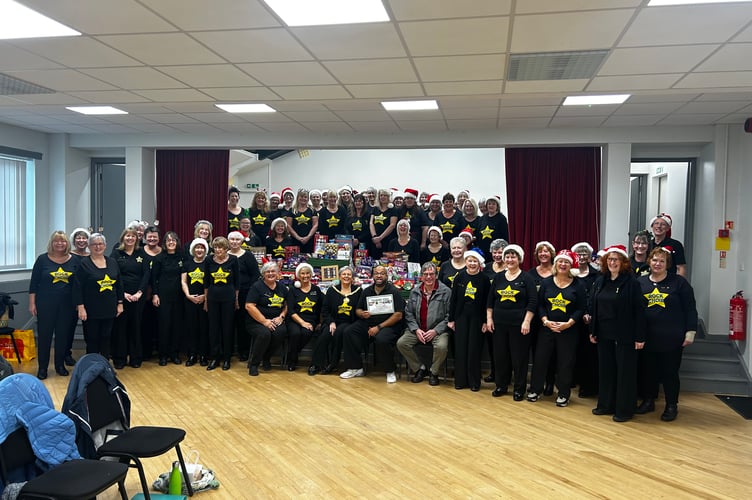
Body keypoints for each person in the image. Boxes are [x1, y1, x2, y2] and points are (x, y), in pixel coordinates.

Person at [637, 246, 698, 422]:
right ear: (649, 261)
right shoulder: (640, 282)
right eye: (655, 260)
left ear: (667, 264)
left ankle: (672, 405)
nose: (658, 264)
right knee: (648, 371)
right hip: (647, 336)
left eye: (662, 261)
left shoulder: (679, 283)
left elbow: (690, 309)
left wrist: (690, 332)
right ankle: (649, 401)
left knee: (670, 373)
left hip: (672, 337)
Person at [587, 245, 646, 422]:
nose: (612, 262)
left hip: (625, 334)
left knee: (624, 372)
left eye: (616, 259)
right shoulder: (600, 281)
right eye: (610, 259)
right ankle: (605, 405)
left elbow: (639, 311)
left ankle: (624, 410)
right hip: (603, 332)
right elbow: (594, 306)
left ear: (623, 262)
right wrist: (593, 331)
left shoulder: (632, 283)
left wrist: (640, 336)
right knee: (606, 370)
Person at [527, 250, 586, 407]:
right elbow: (540, 304)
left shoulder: (578, 284)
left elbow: (581, 307)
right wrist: (545, 321)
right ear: (555, 263)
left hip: (568, 330)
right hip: (547, 329)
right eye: (560, 261)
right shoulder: (546, 283)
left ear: (571, 265)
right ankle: (535, 389)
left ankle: (563, 393)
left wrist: (569, 323)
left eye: (566, 262)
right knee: (540, 360)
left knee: (565, 363)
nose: (562, 264)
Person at [486, 244, 537, 400]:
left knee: (519, 358)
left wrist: (527, 321)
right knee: (501, 356)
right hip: (499, 324)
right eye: (507, 257)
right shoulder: (498, 277)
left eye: (513, 256)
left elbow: (533, 301)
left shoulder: (527, 278)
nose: (510, 259)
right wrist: (489, 319)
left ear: (519, 259)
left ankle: (519, 389)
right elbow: (490, 301)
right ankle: (501, 385)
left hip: (519, 325)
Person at [340, 265, 405, 383]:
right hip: (368, 323)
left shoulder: (394, 291)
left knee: (382, 339)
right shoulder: (367, 291)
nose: (379, 276)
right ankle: (356, 368)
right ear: (373, 276)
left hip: (388, 326)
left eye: (382, 273)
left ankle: (390, 370)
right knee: (349, 332)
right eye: (376, 273)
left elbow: (398, 315)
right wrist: (362, 314)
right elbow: (358, 309)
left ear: (387, 276)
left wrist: (379, 327)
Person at [28, 231, 79, 379]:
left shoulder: (74, 260)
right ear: (52, 243)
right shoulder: (42, 259)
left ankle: (59, 365)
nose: (60, 244)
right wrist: (32, 303)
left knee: (63, 336)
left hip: (67, 305)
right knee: (44, 336)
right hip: (45, 304)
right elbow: (34, 283)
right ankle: (42, 368)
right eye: (56, 241)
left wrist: (78, 303)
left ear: (67, 243)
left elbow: (78, 285)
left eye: (62, 241)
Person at [397, 262, 451, 386]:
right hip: (418, 329)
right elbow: (408, 313)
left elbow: (449, 316)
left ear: (436, 275)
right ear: (421, 276)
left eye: (431, 274)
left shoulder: (446, 292)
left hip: (438, 330)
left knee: (442, 347)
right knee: (402, 343)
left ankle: (434, 372)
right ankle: (420, 369)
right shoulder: (415, 291)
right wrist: (416, 330)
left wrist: (435, 331)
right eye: (425, 274)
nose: (428, 277)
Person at [72, 233, 123, 357]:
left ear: (105, 246)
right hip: (91, 310)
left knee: (106, 338)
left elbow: (119, 284)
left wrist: (120, 303)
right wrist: (80, 306)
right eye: (94, 244)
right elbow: (77, 287)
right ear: (89, 246)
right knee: (92, 339)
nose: (98, 246)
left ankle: (104, 366)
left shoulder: (112, 262)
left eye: (100, 244)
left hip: (109, 308)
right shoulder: (84, 263)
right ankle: (92, 367)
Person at [448, 249, 490, 391]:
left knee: (474, 349)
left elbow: (487, 302)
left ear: (479, 263)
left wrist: (485, 321)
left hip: (477, 318)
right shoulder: (459, 277)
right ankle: (460, 380)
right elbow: (453, 299)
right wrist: (451, 319)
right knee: (460, 348)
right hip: (461, 317)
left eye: (475, 261)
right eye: (469, 261)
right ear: (465, 262)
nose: (472, 263)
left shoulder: (484, 279)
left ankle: (474, 382)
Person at [308, 266, 362, 375]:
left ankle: (333, 364)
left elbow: (360, 309)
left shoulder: (358, 291)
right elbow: (325, 309)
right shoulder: (332, 290)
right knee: (325, 335)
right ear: (339, 276)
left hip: (349, 323)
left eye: (349, 274)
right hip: (331, 321)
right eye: (344, 274)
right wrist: (331, 322)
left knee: (338, 333)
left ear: (352, 277)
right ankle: (316, 364)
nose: (346, 276)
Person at [111, 227, 150, 369]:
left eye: (133, 236)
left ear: (136, 239)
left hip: (138, 297)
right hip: (121, 296)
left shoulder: (141, 253)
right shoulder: (116, 253)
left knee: (136, 327)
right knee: (120, 328)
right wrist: (123, 294)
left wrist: (140, 292)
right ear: (123, 238)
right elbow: (113, 274)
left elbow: (146, 274)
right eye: (127, 236)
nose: (130, 238)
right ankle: (119, 358)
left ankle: (135, 357)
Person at [246, 261, 289, 376]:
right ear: (263, 274)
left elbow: (286, 305)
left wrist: (281, 316)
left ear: (278, 273)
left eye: (273, 271)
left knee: (281, 332)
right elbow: (249, 306)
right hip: (256, 321)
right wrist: (264, 321)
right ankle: (254, 364)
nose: (270, 274)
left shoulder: (282, 287)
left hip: (275, 320)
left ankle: (266, 358)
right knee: (264, 334)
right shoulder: (257, 286)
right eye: (267, 272)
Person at [203, 236, 239, 371]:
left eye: (221, 248)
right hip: (212, 298)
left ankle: (227, 358)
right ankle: (214, 358)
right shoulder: (208, 260)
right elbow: (206, 282)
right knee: (213, 329)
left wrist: (236, 300)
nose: (218, 250)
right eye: (216, 247)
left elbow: (237, 283)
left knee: (227, 328)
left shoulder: (233, 260)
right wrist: (206, 301)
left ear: (226, 249)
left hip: (228, 298)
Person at [151, 232, 185, 366]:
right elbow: (154, 279)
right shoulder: (159, 258)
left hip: (178, 297)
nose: (171, 242)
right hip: (163, 296)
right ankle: (163, 355)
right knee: (164, 326)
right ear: (164, 243)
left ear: (177, 242)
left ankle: (174, 354)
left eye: (173, 240)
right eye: (168, 240)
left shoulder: (182, 257)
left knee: (176, 326)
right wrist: (155, 294)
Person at [571, 241, 599, 398]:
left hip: (590, 321)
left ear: (589, 256)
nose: (581, 257)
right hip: (573, 319)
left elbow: (595, 297)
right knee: (573, 352)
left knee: (589, 354)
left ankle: (587, 385)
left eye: (584, 254)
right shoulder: (570, 273)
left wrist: (589, 313)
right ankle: (573, 379)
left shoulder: (596, 275)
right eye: (578, 254)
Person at [228, 231, 261, 362]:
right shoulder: (224, 256)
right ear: (228, 241)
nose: (234, 242)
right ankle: (228, 350)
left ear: (241, 242)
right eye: (232, 239)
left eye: (237, 239)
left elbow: (255, 275)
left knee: (243, 324)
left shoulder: (248, 256)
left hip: (245, 294)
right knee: (228, 323)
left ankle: (244, 350)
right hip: (227, 295)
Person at [528, 240, 556, 394]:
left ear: (551, 254)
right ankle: (536, 383)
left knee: (551, 353)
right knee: (536, 352)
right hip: (534, 319)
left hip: (551, 319)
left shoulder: (558, 271)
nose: (543, 254)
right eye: (540, 251)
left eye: (546, 251)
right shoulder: (530, 273)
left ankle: (550, 382)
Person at [286, 263, 323, 371]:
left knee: (306, 332)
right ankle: (292, 361)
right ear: (298, 275)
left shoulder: (316, 290)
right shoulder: (293, 290)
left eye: (308, 273)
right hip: (294, 319)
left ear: (311, 275)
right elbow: (291, 310)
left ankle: (293, 353)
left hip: (311, 320)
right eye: (302, 273)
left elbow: (321, 308)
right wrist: (302, 323)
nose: (305, 276)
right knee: (295, 333)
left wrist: (320, 322)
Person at [182, 238, 209, 366]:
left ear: (205, 250)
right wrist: (188, 295)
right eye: (197, 248)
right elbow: (183, 281)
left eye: (202, 248)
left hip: (205, 301)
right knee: (191, 328)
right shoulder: (187, 263)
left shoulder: (209, 263)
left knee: (204, 328)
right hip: (190, 300)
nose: (199, 250)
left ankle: (203, 354)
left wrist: (205, 296)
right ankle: (192, 354)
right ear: (193, 249)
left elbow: (211, 282)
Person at [477, 195, 509, 260]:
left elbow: (505, 237)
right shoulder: (482, 219)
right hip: (483, 252)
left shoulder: (501, 218)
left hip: (496, 253)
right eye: (489, 204)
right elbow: (478, 235)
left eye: (493, 204)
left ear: (497, 206)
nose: (491, 206)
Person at [286, 188, 319, 253]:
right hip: (295, 240)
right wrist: (298, 237)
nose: (303, 198)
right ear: (298, 197)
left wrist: (308, 237)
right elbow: (288, 226)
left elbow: (315, 225)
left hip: (309, 240)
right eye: (301, 196)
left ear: (308, 199)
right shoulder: (292, 210)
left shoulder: (312, 210)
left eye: (305, 197)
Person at [369, 188, 397, 259]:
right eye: (381, 195)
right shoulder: (375, 209)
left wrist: (380, 238)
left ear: (389, 197)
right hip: (375, 240)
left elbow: (392, 225)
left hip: (387, 240)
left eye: (385, 195)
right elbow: (371, 223)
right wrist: (375, 237)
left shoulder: (393, 210)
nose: (383, 197)